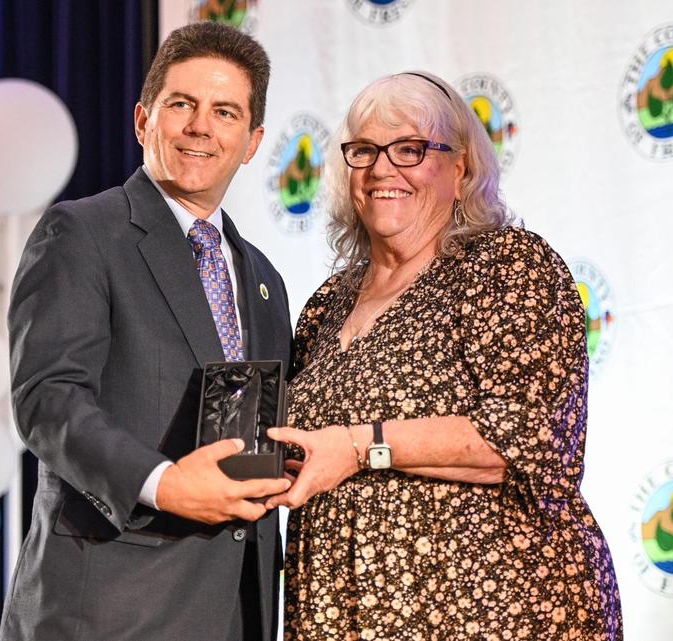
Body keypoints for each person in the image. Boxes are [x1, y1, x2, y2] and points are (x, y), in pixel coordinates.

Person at [265, 71, 623, 640]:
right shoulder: (325, 306)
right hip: (343, 614)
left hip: (495, 611)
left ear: (460, 169)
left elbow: (528, 437)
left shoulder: (506, 266)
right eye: (365, 151)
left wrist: (360, 447)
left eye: (409, 149)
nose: (383, 169)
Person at [0, 22, 294, 641]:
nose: (199, 127)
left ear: (252, 142)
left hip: (237, 610)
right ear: (142, 120)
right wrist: (162, 483)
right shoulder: (81, 234)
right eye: (181, 104)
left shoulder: (265, 279)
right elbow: (48, 402)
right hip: (108, 608)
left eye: (224, 112)